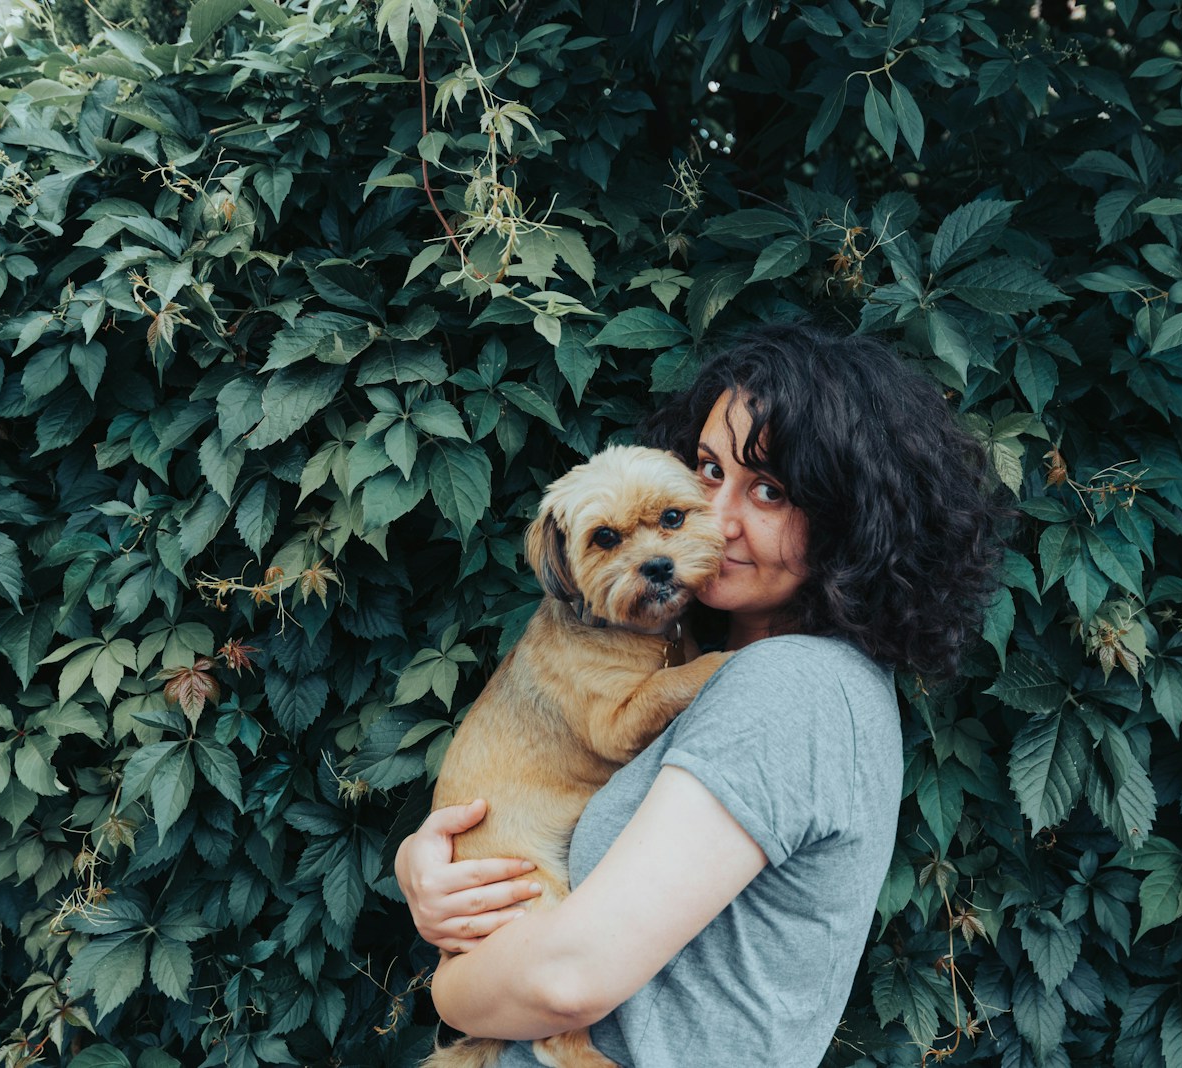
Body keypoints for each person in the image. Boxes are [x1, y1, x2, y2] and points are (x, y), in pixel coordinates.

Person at [395, 321, 1005, 1066]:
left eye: (770, 492)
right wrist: (432, 876)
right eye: (709, 471)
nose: (715, 517)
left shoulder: (790, 688)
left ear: (853, 526)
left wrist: (451, 982)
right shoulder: (722, 666)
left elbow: (566, 979)